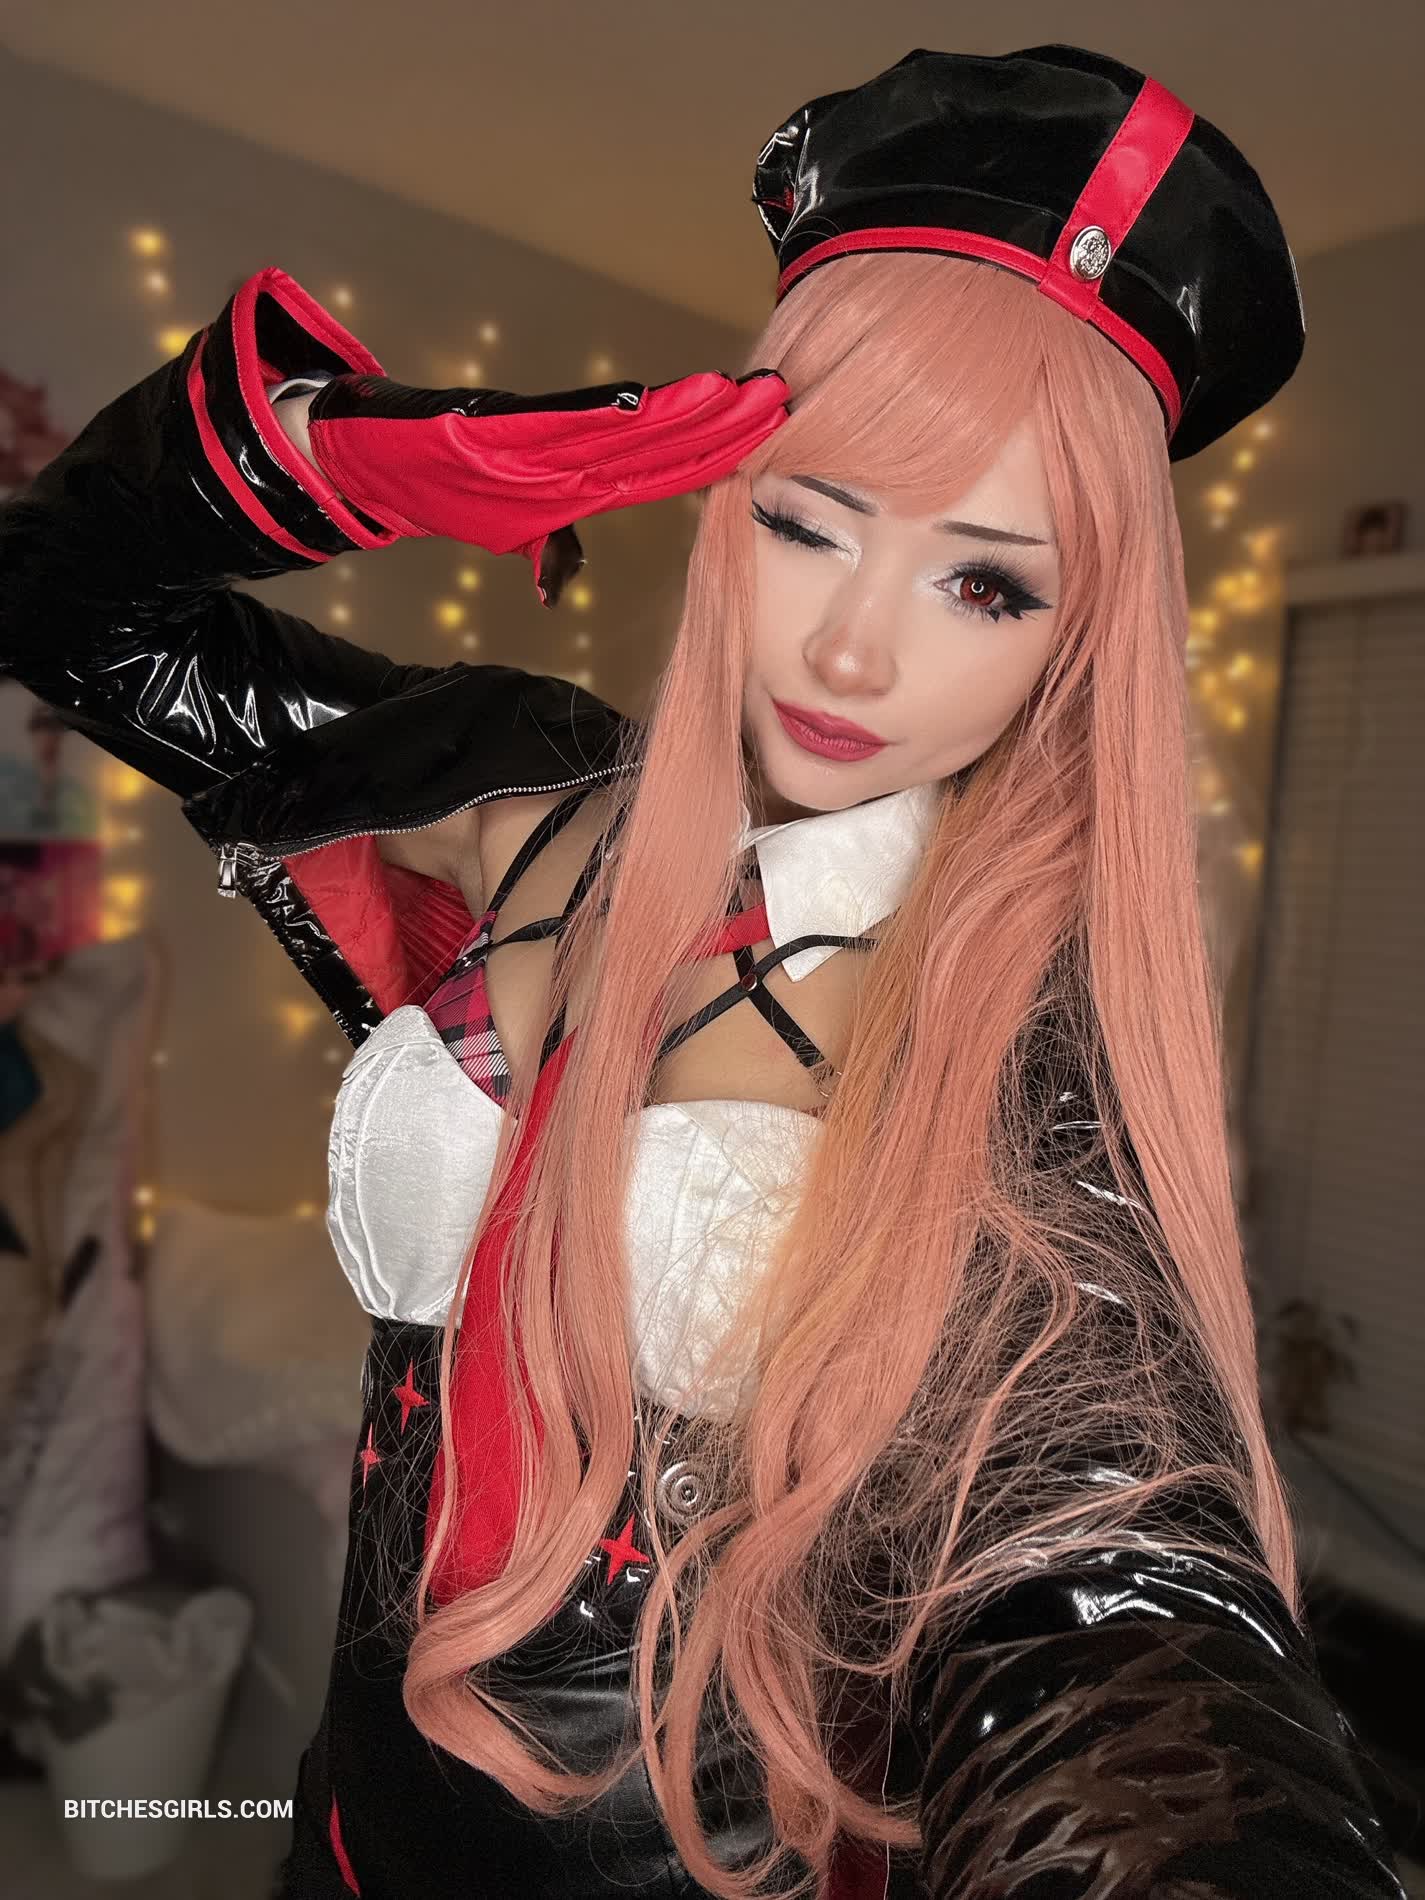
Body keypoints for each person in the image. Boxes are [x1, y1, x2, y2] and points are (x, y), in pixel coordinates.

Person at [0, 40, 1404, 1900]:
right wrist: (330, 456)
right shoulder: (502, 787)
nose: (852, 650)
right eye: (806, 518)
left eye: (983, 582)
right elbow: (54, 605)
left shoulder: (1006, 1040)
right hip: (339, 1842)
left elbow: (1116, 1585)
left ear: (1077, 640)